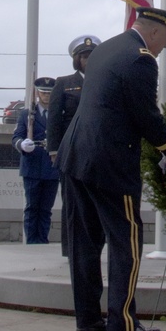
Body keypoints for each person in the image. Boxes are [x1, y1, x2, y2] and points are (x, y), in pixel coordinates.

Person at [57, 7, 166, 331]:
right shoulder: (141, 59)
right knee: (127, 241)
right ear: (155, 32)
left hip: (76, 156)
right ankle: (122, 322)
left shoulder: (106, 49)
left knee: (84, 242)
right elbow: (144, 114)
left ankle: (86, 317)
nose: (164, 48)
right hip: (110, 162)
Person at [47, 34, 101, 254]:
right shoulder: (64, 83)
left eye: (92, 56)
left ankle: (95, 246)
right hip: (71, 150)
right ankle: (70, 249)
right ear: (77, 60)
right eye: (84, 57)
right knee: (71, 202)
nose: (88, 60)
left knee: (96, 201)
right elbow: (54, 119)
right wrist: (54, 149)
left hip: (98, 150)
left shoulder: (104, 80)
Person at [12, 77, 59, 244]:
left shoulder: (58, 113)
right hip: (32, 165)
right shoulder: (26, 114)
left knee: (46, 209)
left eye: (49, 93)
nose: (46, 95)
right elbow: (16, 137)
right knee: (32, 208)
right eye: (43, 92)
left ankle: (43, 241)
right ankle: (32, 242)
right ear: (38, 93)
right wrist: (22, 145)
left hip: (52, 166)